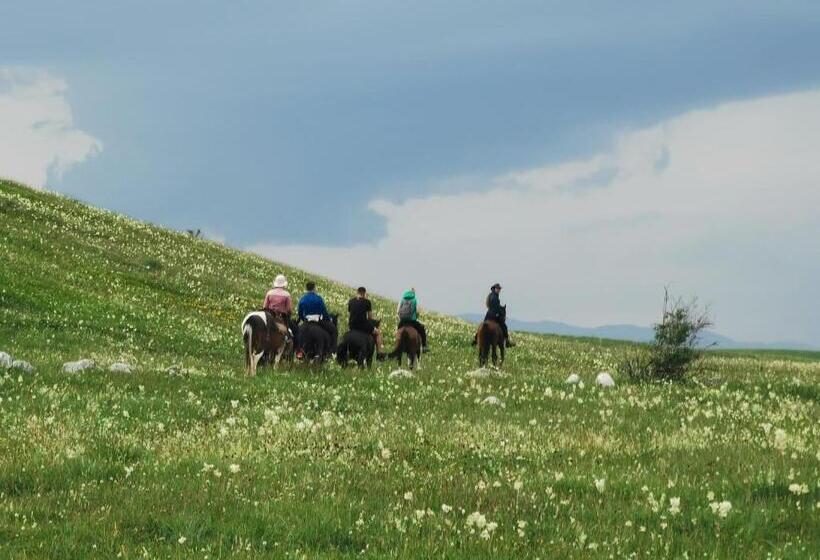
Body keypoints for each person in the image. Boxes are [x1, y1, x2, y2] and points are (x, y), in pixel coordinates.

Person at [297, 281, 337, 353]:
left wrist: (304, 320)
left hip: (307, 321)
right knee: (334, 330)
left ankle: (299, 352)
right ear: (314, 288)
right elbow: (324, 312)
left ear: (306, 288)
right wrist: (328, 319)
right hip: (318, 321)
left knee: (298, 332)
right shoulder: (318, 298)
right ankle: (333, 351)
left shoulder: (302, 299)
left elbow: (300, 313)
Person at [348, 287, 386, 360]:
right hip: (363, 326)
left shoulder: (351, 301)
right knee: (378, 333)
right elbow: (369, 318)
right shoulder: (367, 302)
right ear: (364, 293)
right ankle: (379, 354)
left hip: (352, 326)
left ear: (357, 292)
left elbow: (350, 313)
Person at [473, 283, 515, 347]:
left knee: (482, 326)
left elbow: (496, 306)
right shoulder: (495, 297)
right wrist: (500, 313)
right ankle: (507, 341)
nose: (499, 290)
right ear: (494, 289)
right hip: (494, 315)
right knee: (504, 326)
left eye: (499, 289)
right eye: (497, 289)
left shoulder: (491, 296)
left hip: (488, 314)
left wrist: (499, 308)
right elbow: (496, 307)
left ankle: (476, 339)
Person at [263, 274, 298, 339]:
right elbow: (289, 309)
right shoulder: (287, 294)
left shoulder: (269, 293)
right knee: (295, 330)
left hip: (269, 316)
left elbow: (265, 307)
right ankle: (297, 346)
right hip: (281, 316)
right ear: (284, 284)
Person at [397, 288, 428, 352]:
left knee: (398, 331)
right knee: (422, 329)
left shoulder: (402, 299)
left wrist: (401, 318)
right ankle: (424, 346)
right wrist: (417, 316)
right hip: (412, 321)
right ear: (413, 293)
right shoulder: (414, 300)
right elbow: (416, 311)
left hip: (402, 321)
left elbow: (398, 311)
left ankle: (397, 344)